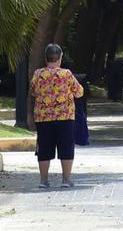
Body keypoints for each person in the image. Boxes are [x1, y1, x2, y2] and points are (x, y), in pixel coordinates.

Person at [30, 44, 84, 188]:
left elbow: (33, 91)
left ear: (45, 58)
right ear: (60, 58)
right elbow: (79, 92)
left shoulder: (38, 74)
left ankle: (43, 180)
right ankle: (66, 180)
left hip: (43, 117)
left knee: (44, 148)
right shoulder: (66, 74)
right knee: (66, 147)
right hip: (65, 117)